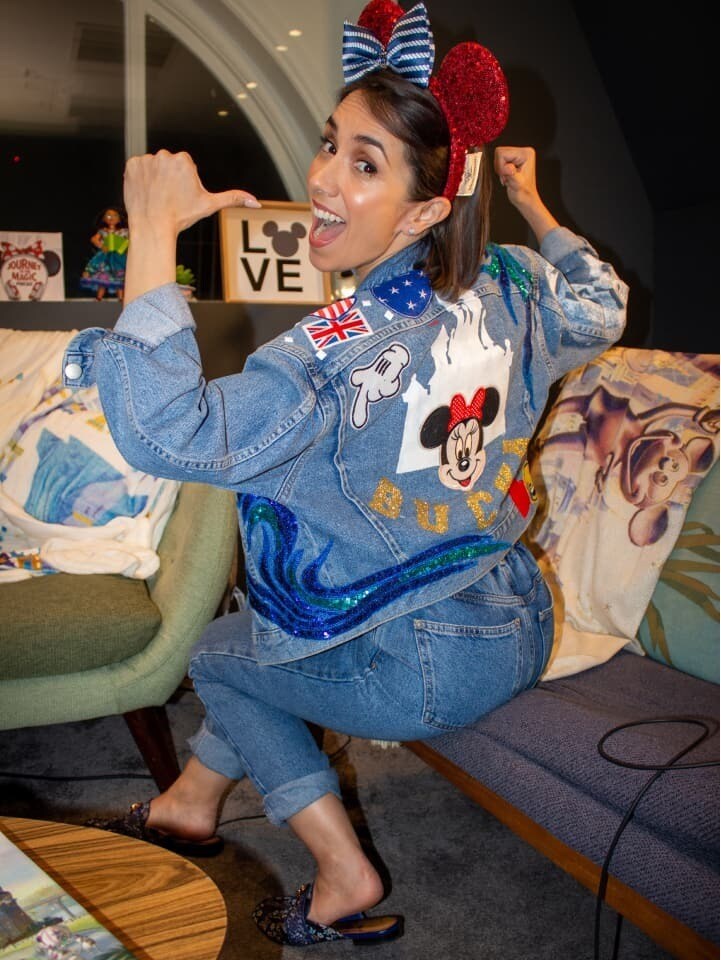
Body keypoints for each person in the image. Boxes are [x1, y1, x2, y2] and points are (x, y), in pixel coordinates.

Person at [64, 0, 628, 946]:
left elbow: (170, 434)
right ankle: (192, 804)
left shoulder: (331, 352)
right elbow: (602, 307)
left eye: (363, 164)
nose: (320, 178)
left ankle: (342, 872)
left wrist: (153, 235)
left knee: (218, 661)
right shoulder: (517, 280)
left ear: (422, 209)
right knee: (255, 642)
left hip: (423, 662)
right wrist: (532, 206)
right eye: (330, 143)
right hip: (519, 619)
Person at [78, 206, 128, 300]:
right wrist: (101, 245)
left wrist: (123, 247)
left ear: (119, 219)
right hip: (105, 257)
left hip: (118, 258)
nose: (111, 218)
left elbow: (127, 241)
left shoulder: (123, 232)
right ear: (104, 218)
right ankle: (99, 297)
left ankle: (121, 297)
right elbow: (94, 239)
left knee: (119, 278)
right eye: (108, 216)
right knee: (103, 277)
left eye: (114, 216)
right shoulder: (103, 231)